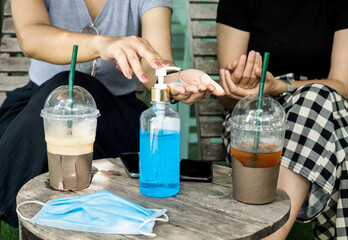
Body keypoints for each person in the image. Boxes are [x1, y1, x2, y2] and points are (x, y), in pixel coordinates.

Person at [0, 0, 225, 227]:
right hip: (35, 112)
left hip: (112, 118)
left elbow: (154, 63)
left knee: (78, 86)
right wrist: (102, 45)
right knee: (61, 92)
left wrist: (174, 82)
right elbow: (31, 36)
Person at [216, 0, 348, 239]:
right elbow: (230, 94)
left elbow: (342, 85)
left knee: (316, 98)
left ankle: (269, 235)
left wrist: (281, 86)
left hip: (331, 113)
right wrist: (243, 86)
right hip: (257, 116)